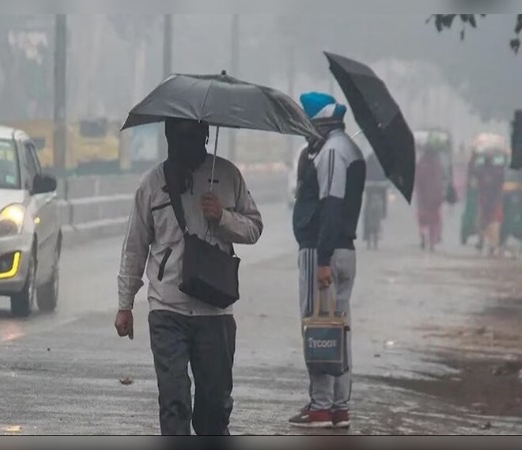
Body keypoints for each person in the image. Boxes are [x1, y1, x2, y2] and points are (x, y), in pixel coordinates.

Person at [115, 117, 263, 435]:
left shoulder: (227, 176)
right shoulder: (152, 184)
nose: (185, 145)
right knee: (174, 401)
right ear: (168, 137)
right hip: (167, 309)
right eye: (178, 137)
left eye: (192, 137)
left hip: (216, 311)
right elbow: (134, 247)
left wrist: (222, 217)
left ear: (206, 136)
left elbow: (254, 228)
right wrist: (125, 303)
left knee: (214, 407)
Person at [289, 92, 365, 429]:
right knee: (338, 327)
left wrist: (321, 259)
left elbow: (331, 206)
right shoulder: (338, 148)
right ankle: (337, 405)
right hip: (339, 250)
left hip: (324, 252)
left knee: (319, 325)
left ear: (318, 121)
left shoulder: (333, 151)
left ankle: (321, 406)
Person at [414, 143, 446, 251]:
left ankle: (423, 235)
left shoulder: (421, 164)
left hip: (423, 197)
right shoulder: (437, 165)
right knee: (434, 220)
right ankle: (432, 242)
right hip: (435, 198)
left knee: (423, 218)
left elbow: (417, 181)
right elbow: (440, 181)